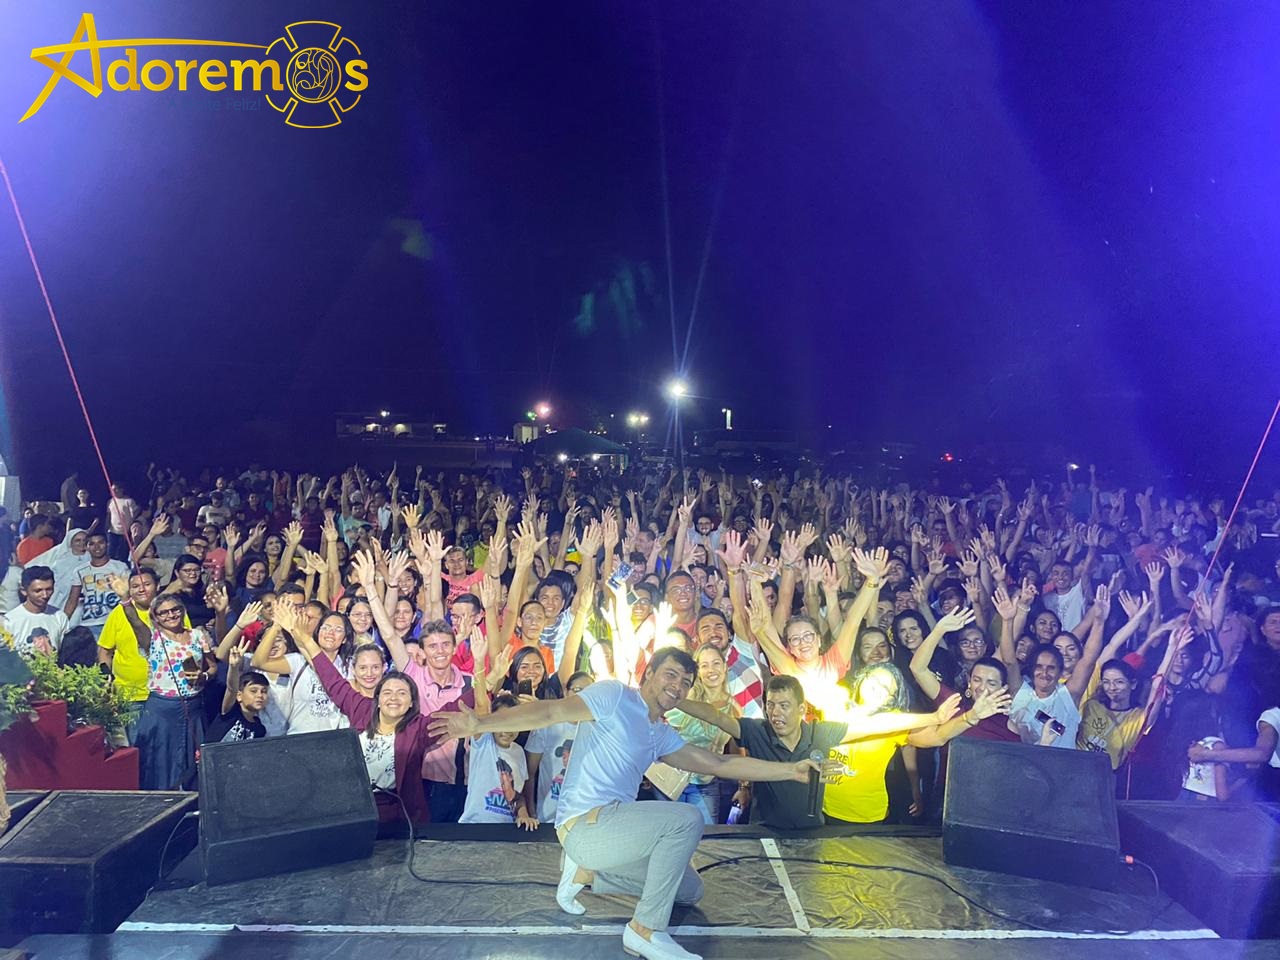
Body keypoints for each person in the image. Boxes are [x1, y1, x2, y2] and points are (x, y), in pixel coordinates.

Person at [430, 646, 834, 960]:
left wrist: (793, 771)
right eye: (671, 675)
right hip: (585, 823)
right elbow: (551, 711)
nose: (678, 686)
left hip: (611, 833)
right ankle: (644, 930)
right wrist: (481, 722)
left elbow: (720, 763)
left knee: (689, 890)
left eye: (686, 682)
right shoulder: (613, 696)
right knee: (685, 819)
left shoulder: (659, 733)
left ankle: (586, 873)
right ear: (649, 673)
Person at [110, 574, 216, 790]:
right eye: (164, 612)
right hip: (162, 709)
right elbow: (135, 621)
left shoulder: (197, 635)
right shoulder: (152, 639)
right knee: (158, 763)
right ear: (155, 618)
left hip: (193, 707)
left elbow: (212, 667)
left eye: (175, 610)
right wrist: (125, 599)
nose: (171, 615)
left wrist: (204, 676)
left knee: (193, 762)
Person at [524, 670, 594, 824]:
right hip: (547, 818)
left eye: (589, 692)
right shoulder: (547, 725)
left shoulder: (598, 730)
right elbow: (529, 772)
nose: (582, 696)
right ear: (566, 692)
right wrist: (531, 809)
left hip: (581, 820)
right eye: (577, 690)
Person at [2, 566, 81, 656]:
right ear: (24, 591)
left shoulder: (59, 617)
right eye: (38, 591)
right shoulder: (9, 621)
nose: (45, 595)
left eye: (49, 589)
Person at [204, 644, 269, 744]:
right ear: (239, 696)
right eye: (253, 691)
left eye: (264, 691)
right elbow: (231, 689)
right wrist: (234, 667)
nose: (260, 695)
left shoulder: (259, 729)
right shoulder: (231, 712)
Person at [71, 532, 131, 639]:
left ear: (107, 544)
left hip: (116, 621)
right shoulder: (79, 571)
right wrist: (62, 622)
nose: (97, 547)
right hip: (90, 624)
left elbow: (129, 594)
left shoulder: (120, 567)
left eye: (100, 542)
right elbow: (72, 600)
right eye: (92, 544)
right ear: (87, 547)